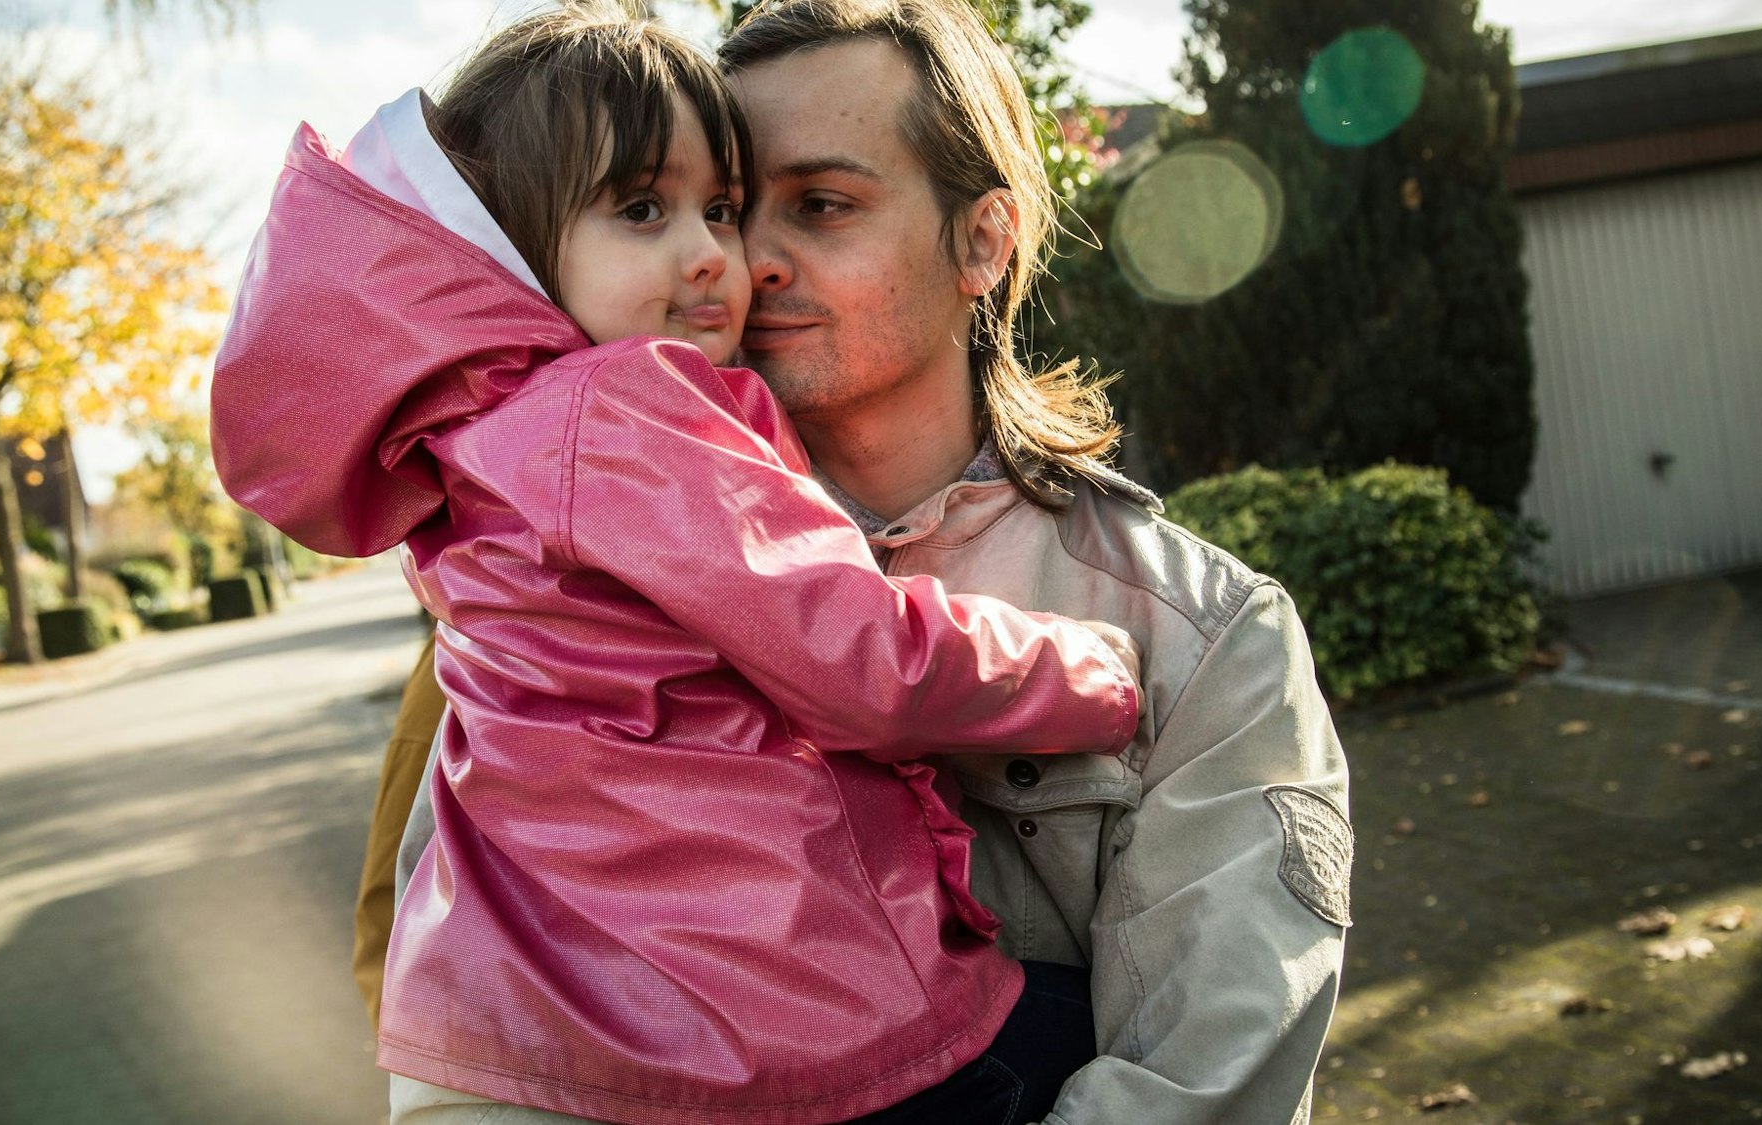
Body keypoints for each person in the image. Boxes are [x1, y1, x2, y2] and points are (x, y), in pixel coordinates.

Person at [365, 1, 1352, 1122]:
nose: (738, 259)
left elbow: (1201, 1083)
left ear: (984, 240)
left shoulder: (1202, 639)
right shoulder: (553, 590)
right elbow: (455, 1009)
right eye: (726, 207)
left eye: (820, 205)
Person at [211, 7, 1151, 1124]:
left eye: (718, 207)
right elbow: (861, 656)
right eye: (640, 210)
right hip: (760, 1011)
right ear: (516, 247)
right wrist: (1093, 671)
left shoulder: (479, 451)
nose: (716, 254)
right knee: (1066, 1027)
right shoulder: (626, 410)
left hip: (554, 1033)